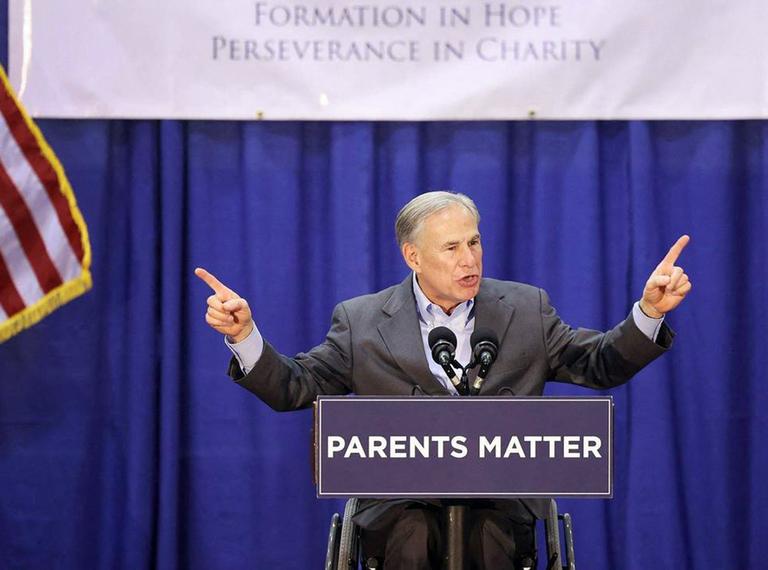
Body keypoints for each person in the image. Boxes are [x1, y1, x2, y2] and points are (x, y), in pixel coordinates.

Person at [196, 191, 691, 569]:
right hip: (399, 502)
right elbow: (296, 386)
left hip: (499, 498)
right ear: (413, 256)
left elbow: (600, 363)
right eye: (451, 247)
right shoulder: (362, 320)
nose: (469, 259)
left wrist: (648, 313)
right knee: (411, 536)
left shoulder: (525, 309)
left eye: (474, 242)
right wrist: (245, 336)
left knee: (491, 540)